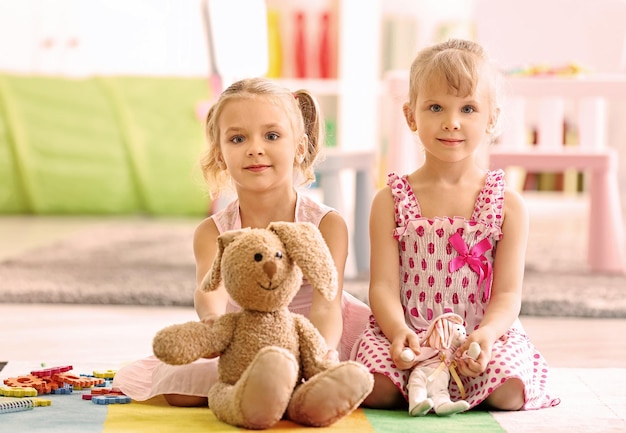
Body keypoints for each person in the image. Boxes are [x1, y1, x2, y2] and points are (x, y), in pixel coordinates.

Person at [112, 77, 371, 407]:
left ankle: (291, 389)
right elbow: (211, 289)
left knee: (376, 385)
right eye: (237, 138)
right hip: (246, 338)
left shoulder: (327, 224)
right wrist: (211, 326)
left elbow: (327, 304)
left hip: (320, 337)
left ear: (300, 147)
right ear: (220, 155)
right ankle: (272, 391)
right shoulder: (213, 232)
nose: (255, 148)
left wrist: (320, 357)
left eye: (272, 136)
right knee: (176, 388)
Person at [351, 39, 560, 413]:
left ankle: (461, 380)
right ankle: (432, 381)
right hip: (410, 331)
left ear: (491, 118)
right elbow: (382, 286)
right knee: (374, 388)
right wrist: (399, 333)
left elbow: (508, 294)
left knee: (509, 393)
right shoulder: (390, 200)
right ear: (411, 115)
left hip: (480, 336)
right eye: (435, 107)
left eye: (468, 108)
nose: (452, 122)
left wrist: (487, 335)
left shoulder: (508, 205)